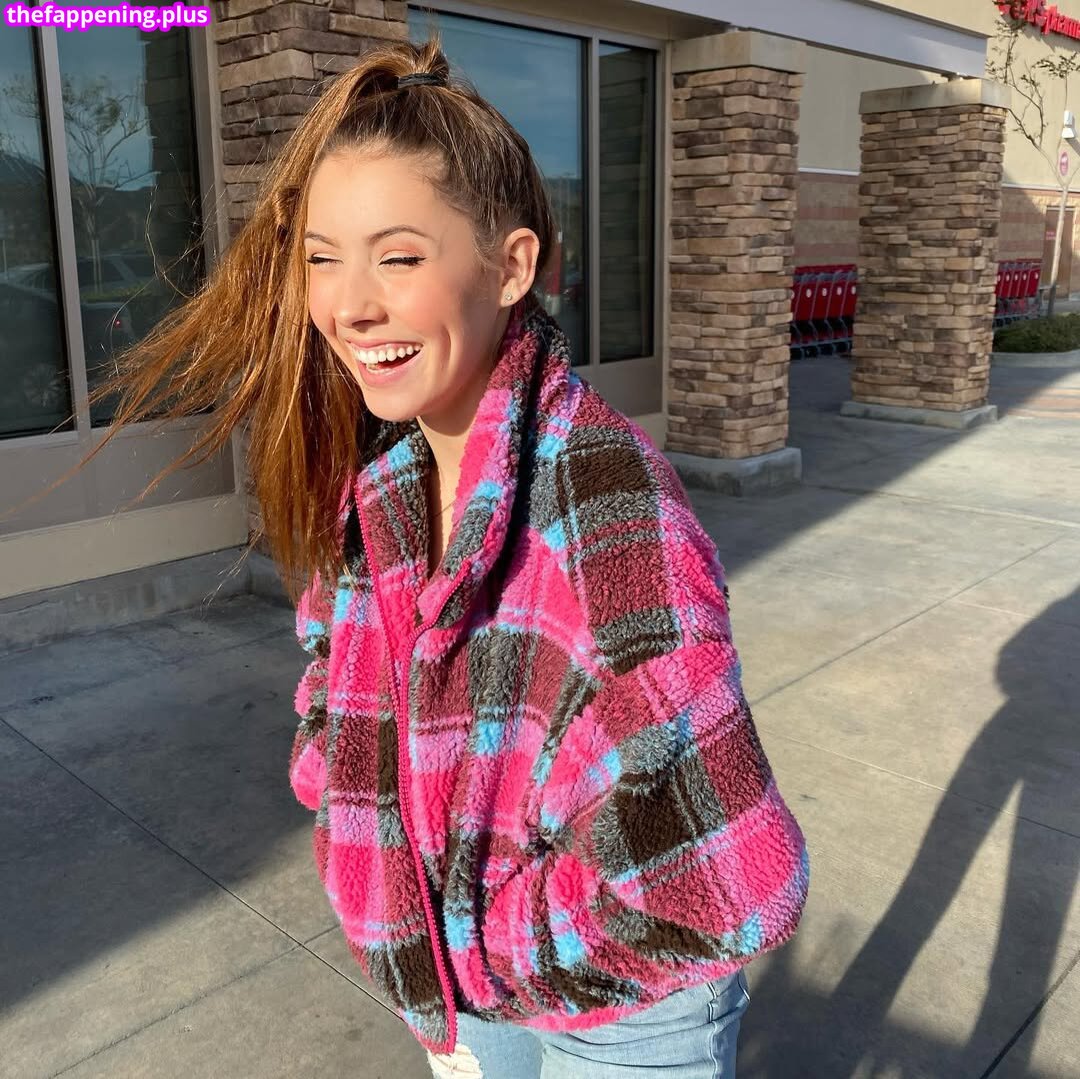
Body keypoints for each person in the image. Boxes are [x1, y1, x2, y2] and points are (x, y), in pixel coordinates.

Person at [88, 36, 808, 1079]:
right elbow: (333, 657)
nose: (349, 303)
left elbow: (725, 883)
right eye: (322, 257)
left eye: (398, 256)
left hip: (620, 1006)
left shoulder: (605, 504)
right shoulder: (385, 477)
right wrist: (344, 783)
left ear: (511, 267)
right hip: (461, 980)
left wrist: (482, 936)